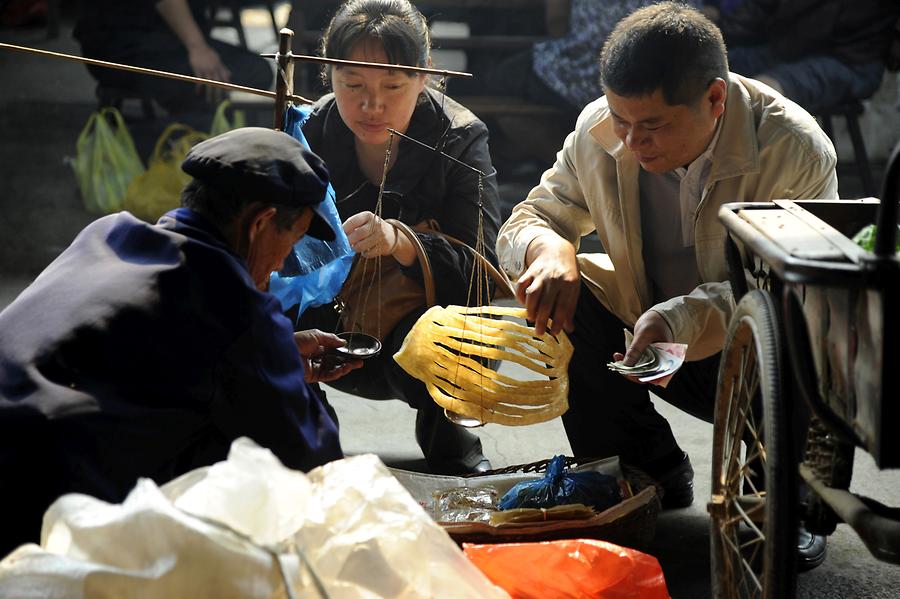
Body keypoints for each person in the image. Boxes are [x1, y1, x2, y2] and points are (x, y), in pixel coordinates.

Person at [496, 2, 836, 569]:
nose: (631, 143)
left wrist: (680, 317)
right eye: (621, 122)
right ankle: (644, 466)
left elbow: (788, 288)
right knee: (560, 293)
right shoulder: (599, 129)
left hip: (764, 358)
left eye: (652, 127)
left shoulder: (792, 149)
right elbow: (532, 217)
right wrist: (550, 248)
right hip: (646, 340)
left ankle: (788, 498)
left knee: (797, 328)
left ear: (715, 100)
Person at [0, 127, 361, 557]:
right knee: (256, 468)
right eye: (292, 240)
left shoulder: (107, 233)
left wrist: (273, 359)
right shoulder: (236, 302)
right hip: (42, 515)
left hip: (14, 456)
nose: (285, 261)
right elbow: (314, 459)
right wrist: (282, 361)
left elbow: (151, 357)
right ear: (260, 223)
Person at [295, 0, 502, 476]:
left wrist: (400, 241)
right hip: (328, 322)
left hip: (418, 321)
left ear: (425, 74)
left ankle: (442, 423)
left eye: (393, 85)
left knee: (459, 335)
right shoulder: (309, 129)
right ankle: (303, 418)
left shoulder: (461, 137)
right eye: (353, 86)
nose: (372, 105)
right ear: (328, 74)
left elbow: (480, 272)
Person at [74, 0, 273, 115]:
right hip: (123, 43)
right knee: (250, 73)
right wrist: (198, 47)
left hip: (155, 38)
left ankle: (187, 134)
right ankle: (180, 146)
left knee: (255, 71)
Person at [706, 0, 900, 114]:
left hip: (850, 61)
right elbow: (759, 9)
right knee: (704, 65)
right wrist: (713, 26)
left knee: (760, 90)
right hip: (789, 49)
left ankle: (742, 176)